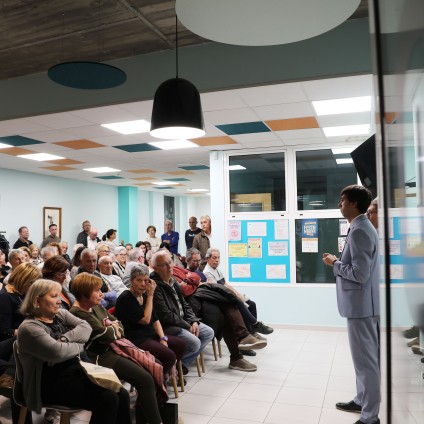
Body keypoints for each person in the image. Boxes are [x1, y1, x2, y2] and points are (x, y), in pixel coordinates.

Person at [18, 279, 131, 424]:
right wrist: (80, 345)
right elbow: (57, 352)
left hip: (75, 370)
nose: (59, 301)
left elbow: (86, 328)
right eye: (53, 296)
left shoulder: (60, 314)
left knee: (121, 393)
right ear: (37, 301)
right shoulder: (30, 328)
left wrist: (65, 339)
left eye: (59, 296)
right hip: (48, 383)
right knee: (108, 398)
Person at [69, 273, 164, 424]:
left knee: (154, 363)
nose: (101, 294)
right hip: (97, 357)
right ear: (84, 294)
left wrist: (111, 327)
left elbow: (119, 324)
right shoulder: (77, 314)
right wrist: (111, 328)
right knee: (145, 379)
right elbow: (107, 335)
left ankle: (145, 417)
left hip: (112, 349)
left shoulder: (95, 306)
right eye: (97, 290)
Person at [323, 185, 380, 424]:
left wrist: (335, 263)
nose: (340, 204)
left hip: (361, 308)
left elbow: (360, 274)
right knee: (363, 360)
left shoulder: (360, 231)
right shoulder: (361, 227)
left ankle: (370, 417)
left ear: (354, 203)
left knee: (366, 363)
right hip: (363, 306)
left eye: (343, 200)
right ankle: (361, 400)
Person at [114, 264, 186, 379]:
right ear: (131, 281)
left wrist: (163, 338)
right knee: (170, 356)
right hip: (136, 340)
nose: (143, 284)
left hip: (151, 336)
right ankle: (158, 379)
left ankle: (166, 372)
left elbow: (155, 320)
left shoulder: (144, 296)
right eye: (139, 280)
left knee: (181, 345)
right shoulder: (125, 298)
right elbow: (146, 320)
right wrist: (151, 295)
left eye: (146, 280)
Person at [151, 250, 214, 370]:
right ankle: (174, 366)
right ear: (155, 269)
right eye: (164, 265)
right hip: (168, 326)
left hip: (182, 320)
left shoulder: (173, 280)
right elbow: (165, 315)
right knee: (195, 343)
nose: (169, 266)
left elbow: (184, 304)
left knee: (208, 333)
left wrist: (193, 320)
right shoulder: (154, 286)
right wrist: (187, 325)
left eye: (170, 262)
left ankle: (182, 364)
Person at [203, 248, 274, 335]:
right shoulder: (207, 272)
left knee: (251, 304)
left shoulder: (217, 270)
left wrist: (237, 293)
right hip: (221, 297)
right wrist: (235, 296)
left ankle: (252, 332)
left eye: (218, 257)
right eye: (214, 258)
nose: (217, 260)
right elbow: (219, 289)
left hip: (228, 293)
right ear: (207, 259)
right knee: (241, 305)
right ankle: (255, 326)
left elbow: (225, 284)